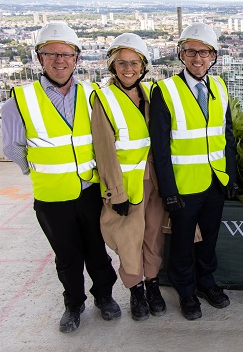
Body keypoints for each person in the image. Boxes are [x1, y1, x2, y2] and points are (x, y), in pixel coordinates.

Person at [1, 22, 120, 333]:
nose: (59, 60)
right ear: (40, 58)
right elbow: (12, 147)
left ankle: (104, 296)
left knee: (97, 250)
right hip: (51, 195)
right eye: (50, 53)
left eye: (66, 54)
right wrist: (39, 170)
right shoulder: (21, 99)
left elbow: (105, 138)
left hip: (90, 190)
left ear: (76, 58)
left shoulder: (93, 93)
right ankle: (74, 302)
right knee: (67, 256)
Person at [150, 22, 239, 321]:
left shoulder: (220, 87)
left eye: (204, 52)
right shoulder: (165, 90)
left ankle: (206, 282)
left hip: (216, 180)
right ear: (181, 55)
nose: (197, 58)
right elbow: (160, 147)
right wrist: (168, 191)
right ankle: (186, 291)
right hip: (184, 185)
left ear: (213, 56)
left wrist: (231, 175)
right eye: (190, 52)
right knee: (183, 243)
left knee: (209, 239)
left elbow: (227, 136)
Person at [90, 33, 167, 322]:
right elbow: (104, 150)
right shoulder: (104, 98)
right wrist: (115, 191)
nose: (128, 68)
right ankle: (136, 291)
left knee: (153, 236)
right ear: (112, 66)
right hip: (126, 185)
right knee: (128, 240)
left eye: (134, 62)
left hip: (155, 182)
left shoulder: (149, 93)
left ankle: (153, 285)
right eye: (121, 62)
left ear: (144, 65)